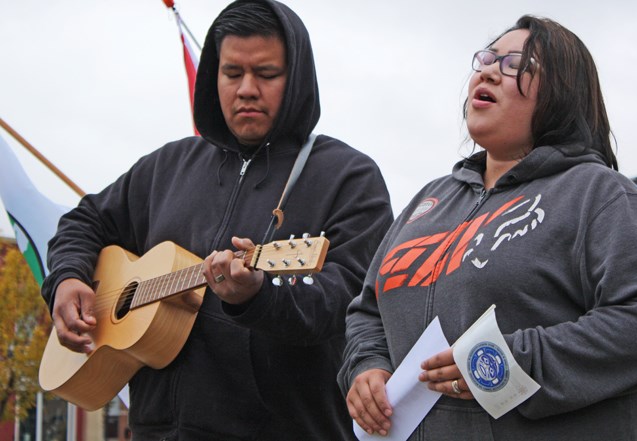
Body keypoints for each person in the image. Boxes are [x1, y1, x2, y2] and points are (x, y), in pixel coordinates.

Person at [41, 1, 393, 440]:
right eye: (232, 74)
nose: (246, 89)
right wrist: (68, 277)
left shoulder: (349, 177)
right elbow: (85, 219)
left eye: (266, 74)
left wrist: (258, 297)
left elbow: (349, 304)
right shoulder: (168, 166)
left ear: (298, 77)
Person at [338, 15, 637, 441]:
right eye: (487, 58)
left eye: (514, 64)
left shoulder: (601, 196)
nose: (487, 70)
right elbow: (369, 308)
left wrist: (513, 363)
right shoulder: (427, 203)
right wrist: (367, 365)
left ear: (562, 92)